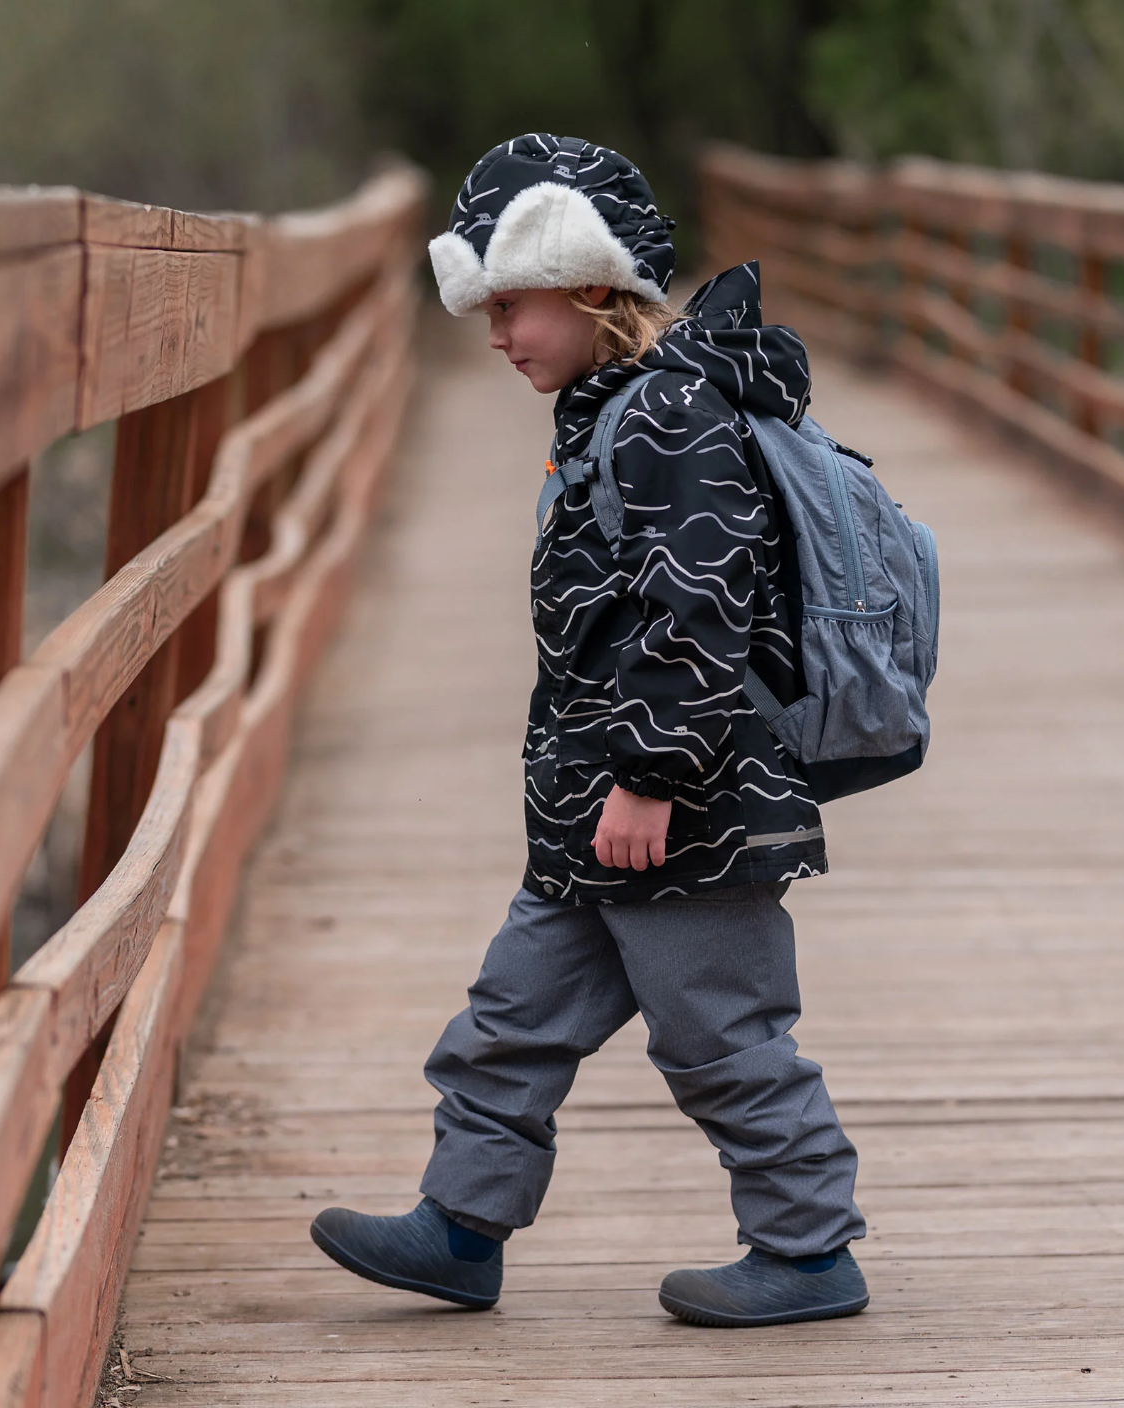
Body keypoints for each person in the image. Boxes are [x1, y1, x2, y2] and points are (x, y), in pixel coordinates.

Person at [310, 134, 867, 1329]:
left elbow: (704, 606)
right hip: (591, 812)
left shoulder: (670, 415)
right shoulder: (611, 409)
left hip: (687, 810)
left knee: (722, 1034)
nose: (499, 334)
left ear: (593, 284)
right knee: (507, 1020)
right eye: (487, 310)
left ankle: (811, 1250)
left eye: (513, 305)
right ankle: (461, 1229)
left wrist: (653, 776)